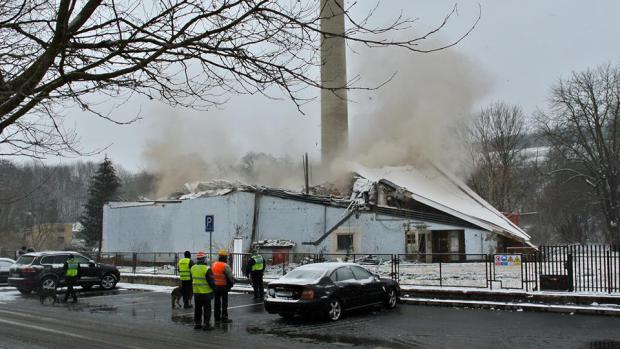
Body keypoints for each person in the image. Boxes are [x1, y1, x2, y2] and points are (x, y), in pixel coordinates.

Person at [190, 251, 216, 330]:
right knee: (207, 309)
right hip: (206, 293)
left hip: (196, 292)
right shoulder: (207, 269)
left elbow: (192, 279)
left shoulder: (193, 268)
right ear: (204, 259)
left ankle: (197, 324)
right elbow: (211, 281)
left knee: (197, 309)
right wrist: (215, 289)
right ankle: (206, 324)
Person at [212, 249, 235, 324]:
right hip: (223, 287)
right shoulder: (225, 266)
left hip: (215, 286)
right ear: (225, 257)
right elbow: (230, 277)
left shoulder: (214, 264)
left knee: (217, 303)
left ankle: (217, 318)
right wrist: (232, 283)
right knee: (224, 303)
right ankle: (224, 317)